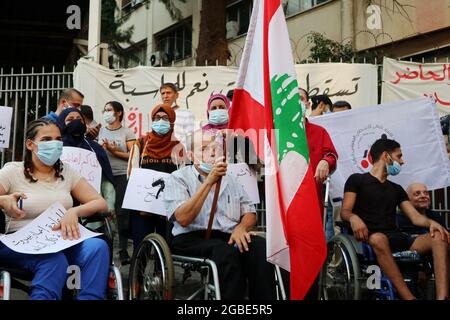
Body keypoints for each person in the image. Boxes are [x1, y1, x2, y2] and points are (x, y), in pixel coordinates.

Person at [0, 118, 110, 300]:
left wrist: (73, 212)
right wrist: (4, 200)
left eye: (58, 139)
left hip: (63, 239)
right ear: (30, 144)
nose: (55, 144)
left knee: (98, 247)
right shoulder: (12, 172)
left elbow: (100, 202)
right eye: (46, 140)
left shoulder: (67, 172)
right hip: (21, 243)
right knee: (53, 260)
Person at [163, 130, 276, 300]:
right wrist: (209, 181)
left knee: (260, 247)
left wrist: (241, 228)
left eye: (216, 147)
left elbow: (250, 212)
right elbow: (183, 218)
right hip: (191, 237)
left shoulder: (231, 179)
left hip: (228, 236)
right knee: (225, 253)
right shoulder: (177, 178)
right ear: (192, 156)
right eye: (205, 148)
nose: (213, 152)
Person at [341, 138, 449, 300]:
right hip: (368, 240)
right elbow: (345, 211)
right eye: (399, 156)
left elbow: (415, 217)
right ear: (386, 156)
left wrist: (432, 223)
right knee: (378, 238)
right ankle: (409, 298)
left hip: (398, 237)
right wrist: (354, 218)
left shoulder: (396, 189)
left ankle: (443, 297)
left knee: (440, 236)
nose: (402, 161)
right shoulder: (357, 180)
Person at [128, 104, 184, 248]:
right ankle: (138, 270)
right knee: (141, 248)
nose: (161, 121)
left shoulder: (179, 147)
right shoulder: (140, 143)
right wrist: (140, 205)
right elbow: (131, 174)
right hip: (142, 208)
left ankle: (162, 271)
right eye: (157, 118)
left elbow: (184, 179)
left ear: (172, 121)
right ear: (152, 120)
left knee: (166, 249)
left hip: (168, 209)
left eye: (165, 118)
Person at [55, 108, 116, 214]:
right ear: (61, 123)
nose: (76, 122)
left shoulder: (95, 147)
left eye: (79, 119)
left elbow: (106, 180)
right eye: (70, 119)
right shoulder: (55, 147)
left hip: (91, 208)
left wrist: (109, 203)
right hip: (60, 206)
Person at [98, 101, 136, 265]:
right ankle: (106, 250)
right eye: (105, 110)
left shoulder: (127, 131)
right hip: (105, 175)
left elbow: (133, 155)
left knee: (122, 213)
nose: (106, 113)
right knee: (106, 212)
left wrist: (114, 151)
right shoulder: (101, 131)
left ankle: (122, 250)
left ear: (119, 113)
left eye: (110, 110)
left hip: (121, 175)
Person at [160, 83, 196, 147]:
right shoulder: (159, 115)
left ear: (176, 95)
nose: (165, 96)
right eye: (163, 93)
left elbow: (191, 139)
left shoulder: (186, 114)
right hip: (162, 154)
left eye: (168, 93)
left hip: (181, 154)